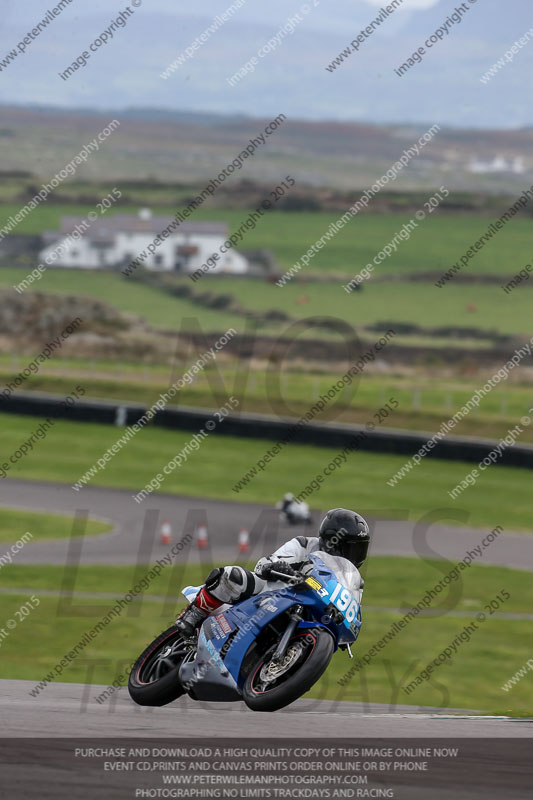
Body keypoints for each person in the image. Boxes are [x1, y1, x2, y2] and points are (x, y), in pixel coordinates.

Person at [176, 507, 370, 637]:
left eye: (359, 550)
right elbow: (264, 565)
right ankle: (193, 614)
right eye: (349, 549)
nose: (352, 555)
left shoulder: (354, 581)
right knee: (233, 576)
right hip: (271, 594)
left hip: (309, 615)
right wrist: (278, 567)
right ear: (330, 540)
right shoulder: (303, 544)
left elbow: (350, 612)